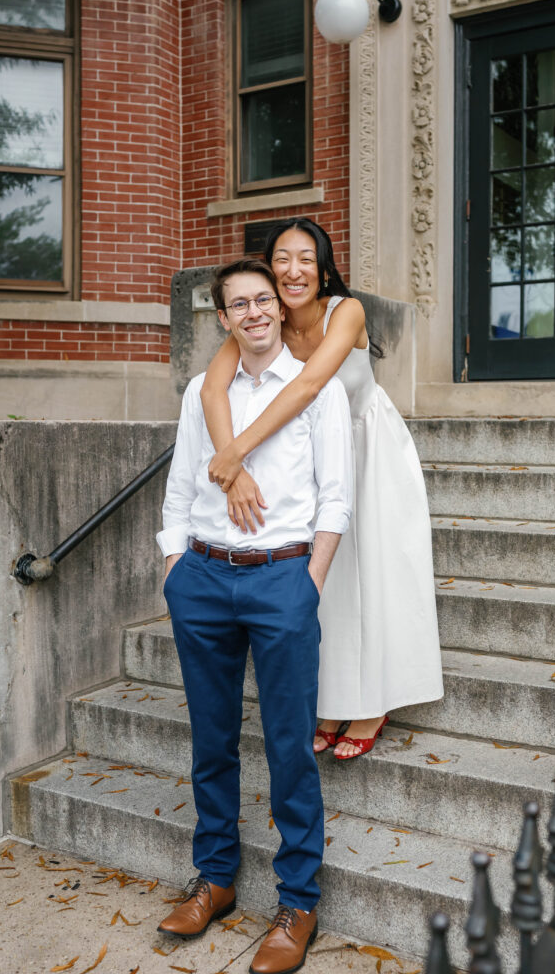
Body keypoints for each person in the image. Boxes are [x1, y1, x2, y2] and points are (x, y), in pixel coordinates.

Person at [156, 257, 353, 974]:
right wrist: (175, 563)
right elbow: (182, 484)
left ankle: (296, 901)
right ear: (223, 318)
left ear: (280, 305)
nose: (253, 312)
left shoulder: (317, 391)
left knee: (288, 748)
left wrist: (310, 581)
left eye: (262, 299)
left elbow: (336, 496)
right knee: (211, 742)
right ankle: (215, 881)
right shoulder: (202, 393)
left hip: (281, 580)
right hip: (203, 577)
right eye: (237, 304)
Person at [200, 218, 443, 760]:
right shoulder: (269, 317)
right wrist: (231, 465)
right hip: (309, 458)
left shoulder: (346, 310)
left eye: (306, 258)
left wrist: (237, 449)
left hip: (369, 449)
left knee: (376, 575)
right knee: (327, 584)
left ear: (324, 266)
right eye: (282, 258)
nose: (293, 269)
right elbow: (214, 387)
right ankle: (333, 698)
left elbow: (311, 385)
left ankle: (374, 702)